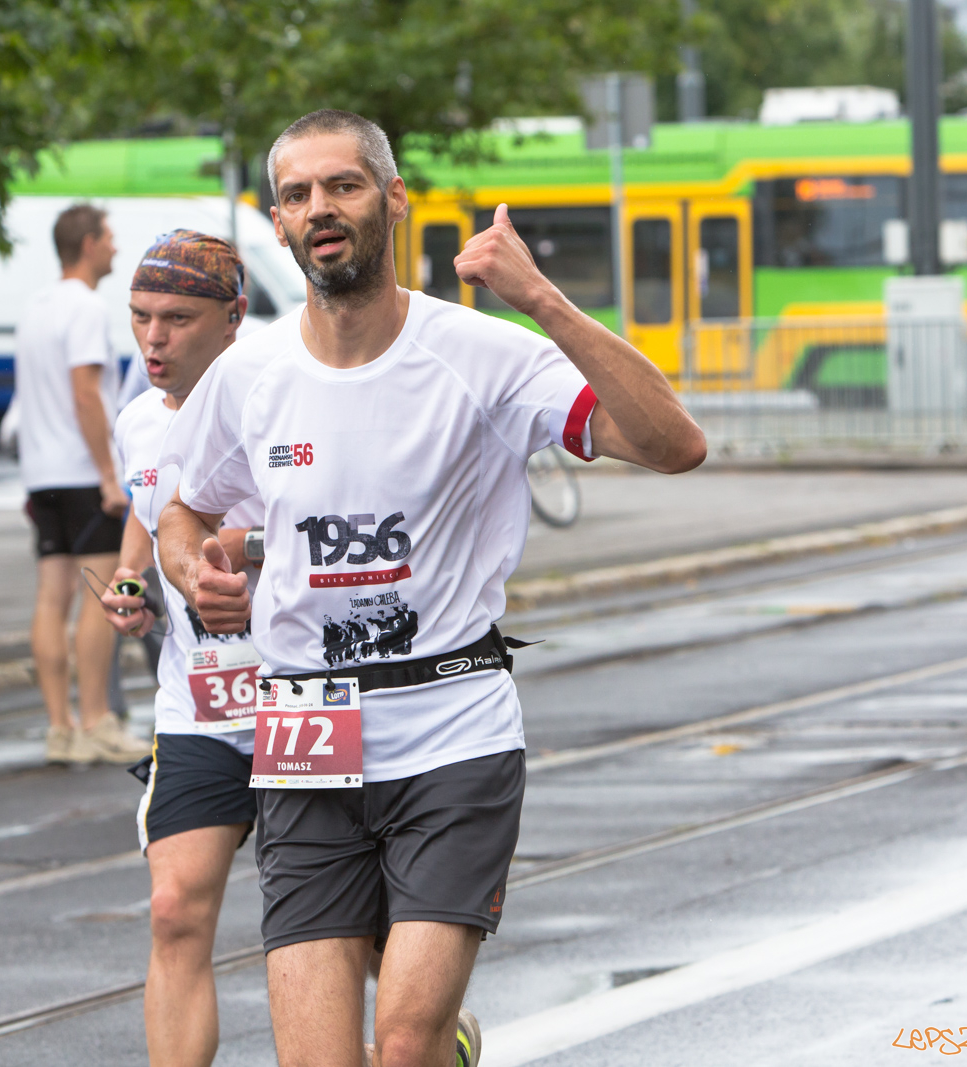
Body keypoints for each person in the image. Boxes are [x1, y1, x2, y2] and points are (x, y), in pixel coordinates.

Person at [156, 110, 706, 1067]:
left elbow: (674, 444)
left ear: (393, 199)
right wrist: (197, 569)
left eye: (344, 185)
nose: (320, 209)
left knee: (402, 1044)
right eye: (296, 195)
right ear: (278, 225)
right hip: (304, 733)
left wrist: (541, 299)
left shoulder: (482, 354)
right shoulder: (250, 374)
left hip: (452, 727)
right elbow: (182, 511)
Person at [96, 231, 259, 1067]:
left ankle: (430, 1017)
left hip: (304, 698)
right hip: (196, 701)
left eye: (176, 319)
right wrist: (133, 580)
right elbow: (148, 502)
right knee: (174, 908)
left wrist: (237, 551)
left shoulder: (280, 397)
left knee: (342, 927)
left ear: (232, 317)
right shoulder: (137, 419)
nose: (153, 339)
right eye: (139, 318)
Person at [15, 202, 149, 765]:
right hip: (82, 472)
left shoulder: (35, 308)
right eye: (110, 238)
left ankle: (59, 727)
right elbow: (86, 395)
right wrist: (109, 475)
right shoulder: (88, 307)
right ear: (89, 244)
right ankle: (96, 719)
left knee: (52, 597)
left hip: (42, 472)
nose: (117, 247)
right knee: (99, 595)